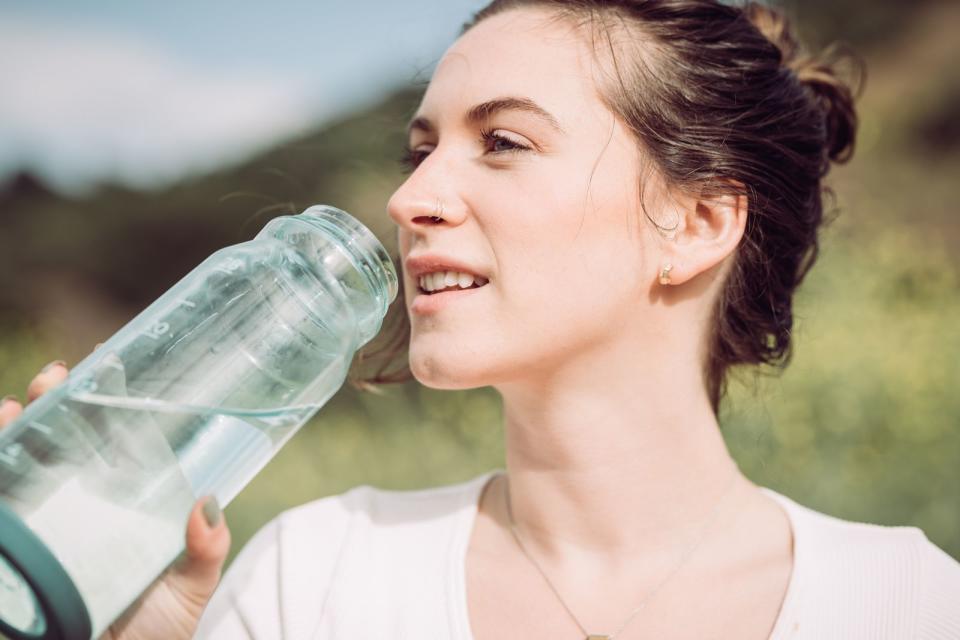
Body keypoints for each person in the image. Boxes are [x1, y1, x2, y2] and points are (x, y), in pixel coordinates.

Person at [2, 1, 959, 638]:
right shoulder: (318, 578)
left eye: (501, 142)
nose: (411, 197)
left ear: (697, 222)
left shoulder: (903, 604)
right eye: (420, 150)